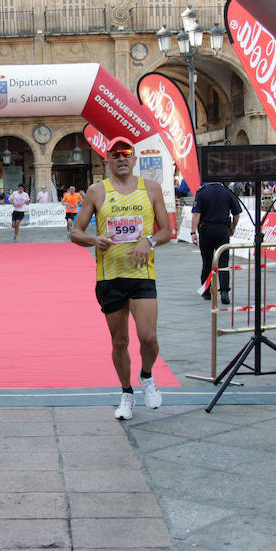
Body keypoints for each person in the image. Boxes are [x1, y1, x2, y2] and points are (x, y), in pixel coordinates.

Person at [70, 136, 171, 421]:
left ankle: (147, 376)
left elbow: (166, 231)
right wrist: (93, 239)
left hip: (142, 274)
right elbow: (75, 233)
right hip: (109, 277)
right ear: (108, 160)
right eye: (115, 154)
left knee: (148, 337)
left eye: (126, 153)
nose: (121, 158)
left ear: (134, 158)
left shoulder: (150, 189)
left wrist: (148, 241)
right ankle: (127, 393)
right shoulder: (96, 191)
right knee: (119, 342)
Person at [190, 182, 242, 305]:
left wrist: (193, 232)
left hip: (206, 231)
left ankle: (207, 290)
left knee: (207, 261)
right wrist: (233, 228)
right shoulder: (227, 192)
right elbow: (237, 214)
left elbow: (196, 214)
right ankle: (224, 291)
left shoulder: (202, 192)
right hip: (222, 230)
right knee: (223, 262)